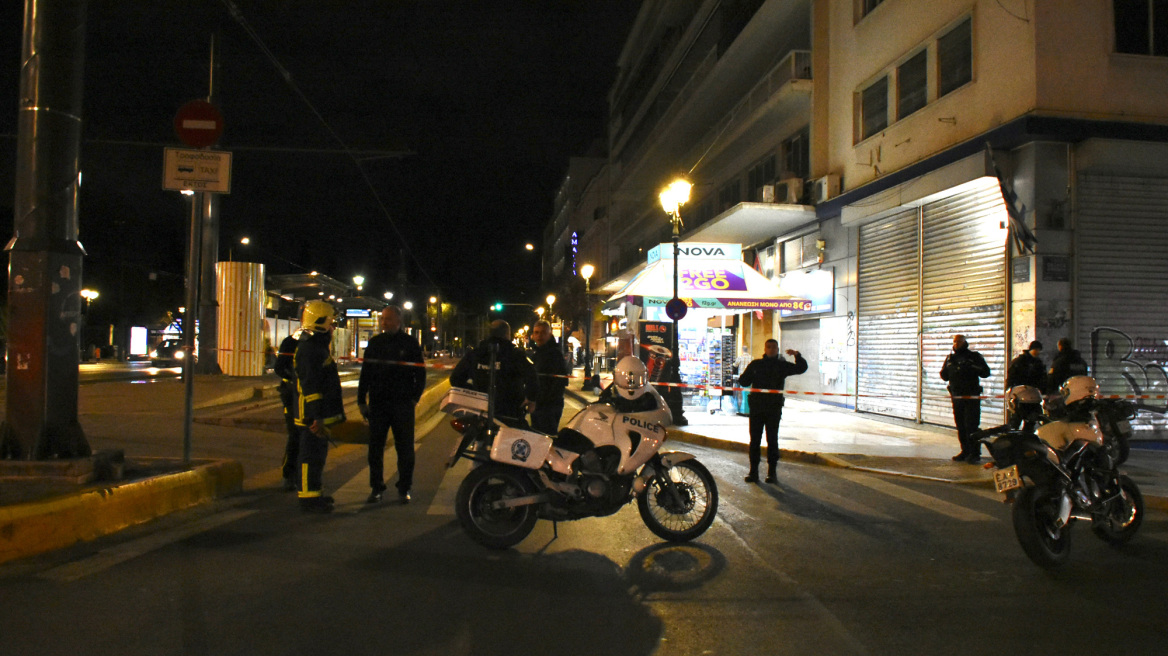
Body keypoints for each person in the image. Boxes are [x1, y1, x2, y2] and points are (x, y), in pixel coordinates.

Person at [357, 306, 426, 505]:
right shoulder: (375, 343)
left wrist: (415, 398)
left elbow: (420, 373)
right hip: (378, 404)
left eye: (387, 319)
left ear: (398, 320)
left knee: (404, 448)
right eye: (382, 319)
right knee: (375, 448)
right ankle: (376, 487)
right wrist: (362, 400)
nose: (383, 322)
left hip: (402, 404)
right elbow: (366, 373)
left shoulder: (410, 343)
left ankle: (404, 487)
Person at [291, 300, 346, 513]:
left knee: (317, 456)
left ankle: (315, 493)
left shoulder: (315, 346)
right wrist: (316, 417)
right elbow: (311, 386)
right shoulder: (311, 349)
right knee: (310, 456)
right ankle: (308, 498)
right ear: (321, 322)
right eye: (331, 323)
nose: (333, 328)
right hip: (311, 416)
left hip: (316, 414)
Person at [737, 339, 807, 483]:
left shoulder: (782, 366)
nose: (771, 350)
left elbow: (801, 368)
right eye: (768, 347)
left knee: (772, 440)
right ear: (765, 348)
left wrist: (797, 355)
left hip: (773, 409)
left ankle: (772, 472)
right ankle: (753, 472)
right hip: (757, 408)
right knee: (755, 440)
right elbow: (743, 381)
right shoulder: (756, 365)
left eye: (774, 347)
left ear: (777, 349)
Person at [450, 320, 538, 423]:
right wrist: (530, 398)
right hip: (510, 410)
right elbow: (532, 377)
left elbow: (455, 378)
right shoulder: (515, 354)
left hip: (480, 409)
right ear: (507, 334)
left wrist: (474, 392)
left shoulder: (475, 353)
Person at [939, 334, 991, 464]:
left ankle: (974, 453)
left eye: (959, 341)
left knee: (971, 425)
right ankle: (965, 451)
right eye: (955, 341)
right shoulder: (951, 358)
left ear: (965, 342)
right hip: (957, 397)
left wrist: (972, 366)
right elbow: (944, 375)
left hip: (971, 397)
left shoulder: (974, 356)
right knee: (961, 425)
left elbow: (985, 373)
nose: (956, 343)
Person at [273, 325, 303, 492]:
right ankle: (289, 475)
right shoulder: (291, 341)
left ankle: (305, 474)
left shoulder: (318, 342)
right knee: (295, 434)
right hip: (292, 394)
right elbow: (280, 368)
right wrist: (295, 378)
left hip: (309, 394)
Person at [528, 320, 568, 434]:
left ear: (549, 335)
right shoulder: (537, 354)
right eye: (536, 332)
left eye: (543, 333)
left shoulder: (554, 354)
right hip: (539, 404)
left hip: (549, 406)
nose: (539, 336)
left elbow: (560, 382)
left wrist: (545, 401)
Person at [1005, 340, 1045, 429]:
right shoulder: (1020, 361)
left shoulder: (1038, 363)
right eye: (1036, 349)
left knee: (1031, 420)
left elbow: (1042, 378)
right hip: (1020, 395)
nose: (1038, 352)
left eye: (1039, 350)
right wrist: (1009, 391)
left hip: (1033, 396)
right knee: (1016, 419)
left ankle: (1026, 437)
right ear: (1031, 349)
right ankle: (1014, 437)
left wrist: (1043, 391)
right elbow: (1011, 377)